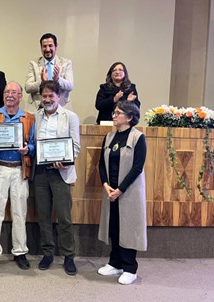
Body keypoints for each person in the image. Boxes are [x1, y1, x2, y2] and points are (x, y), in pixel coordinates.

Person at [0, 81, 35, 271]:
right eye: (7, 92)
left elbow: (34, 145)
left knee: (20, 213)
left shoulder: (29, 118)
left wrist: (28, 149)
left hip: (20, 170)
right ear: (3, 96)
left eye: (14, 92)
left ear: (20, 96)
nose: (10, 95)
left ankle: (20, 251)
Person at [33, 80, 80, 276]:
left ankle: (69, 256)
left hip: (61, 172)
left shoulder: (70, 117)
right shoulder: (36, 116)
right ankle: (48, 253)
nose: (47, 99)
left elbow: (75, 147)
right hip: (41, 173)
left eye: (51, 96)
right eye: (44, 96)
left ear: (58, 97)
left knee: (64, 217)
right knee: (43, 216)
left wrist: (66, 161)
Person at [97, 100, 147, 285]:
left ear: (129, 117)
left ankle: (129, 268)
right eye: (114, 112)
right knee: (114, 226)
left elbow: (137, 167)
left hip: (128, 191)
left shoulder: (138, 137)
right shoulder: (109, 137)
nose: (114, 115)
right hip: (111, 191)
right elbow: (101, 163)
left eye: (118, 113)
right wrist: (105, 184)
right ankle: (115, 263)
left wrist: (120, 189)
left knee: (128, 228)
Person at [25, 33, 74, 112]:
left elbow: (70, 85)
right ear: (41, 48)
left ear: (56, 46)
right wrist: (42, 82)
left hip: (61, 108)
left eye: (50, 45)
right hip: (37, 108)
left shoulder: (66, 63)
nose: (47, 49)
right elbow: (28, 87)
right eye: (44, 46)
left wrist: (58, 79)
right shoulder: (33, 63)